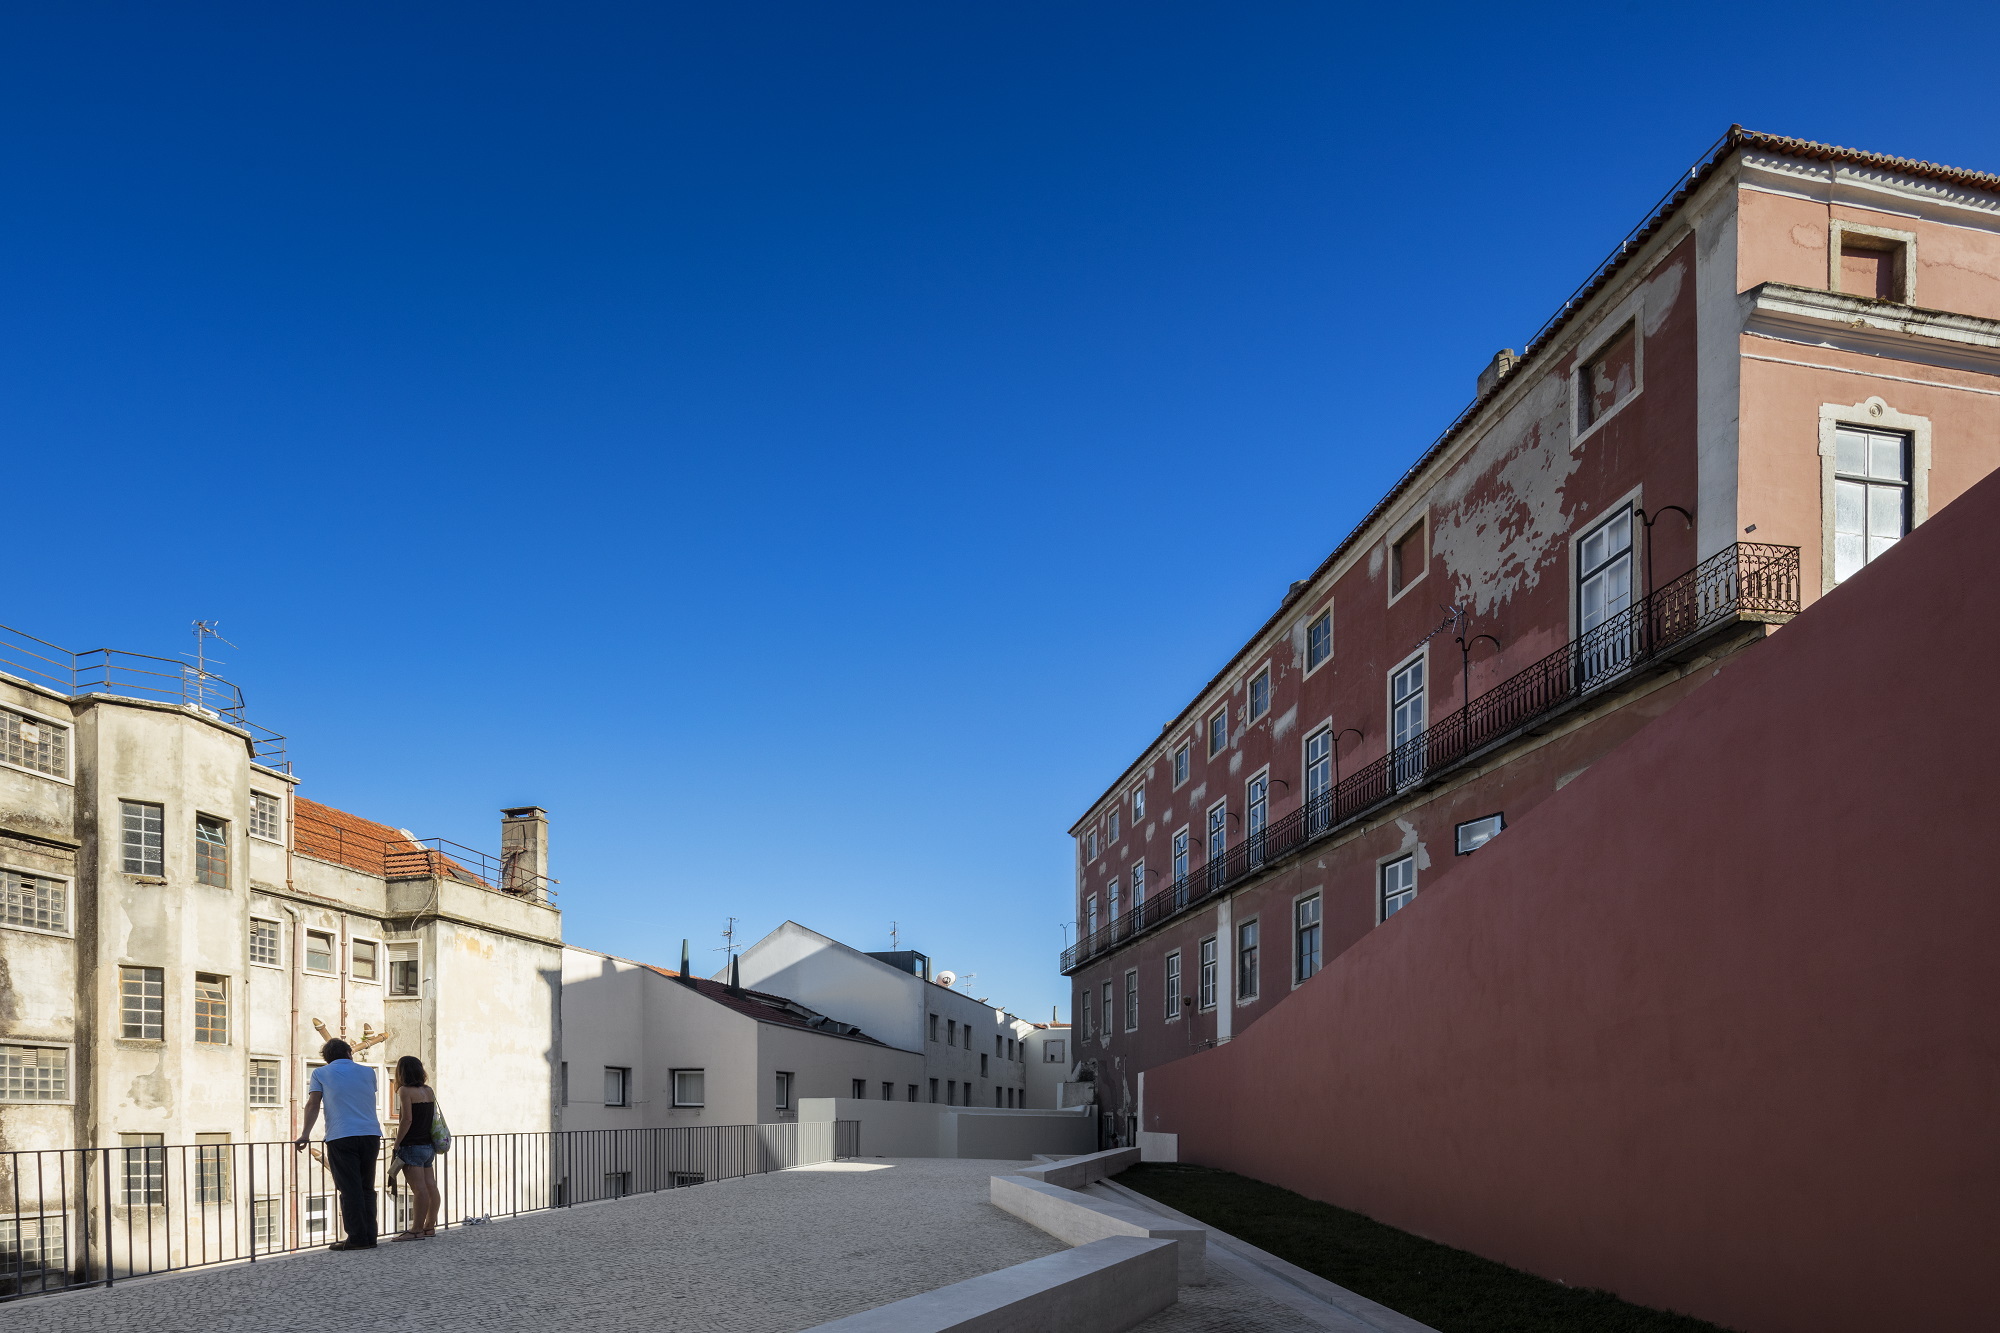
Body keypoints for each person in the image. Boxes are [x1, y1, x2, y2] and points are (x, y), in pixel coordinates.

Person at [294, 1038, 381, 1250]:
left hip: (341, 1135)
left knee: (349, 1189)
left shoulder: (320, 1074)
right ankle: (370, 1236)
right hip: (371, 1134)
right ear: (350, 1053)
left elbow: (313, 1103)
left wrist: (305, 1134)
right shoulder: (369, 1072)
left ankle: (357, 1238)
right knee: (366, 1187)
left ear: (327, 1058)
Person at [390, 1055, 441, 1241]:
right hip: (428, 1146)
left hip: (412, 1145)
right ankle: (429, 1226)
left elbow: (407, 1119)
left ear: (401, 1072)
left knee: (419, 1190)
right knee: (431, 1186)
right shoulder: (428, 1090)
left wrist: (397, 1142)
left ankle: (416, 1230)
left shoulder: (404, 1091)